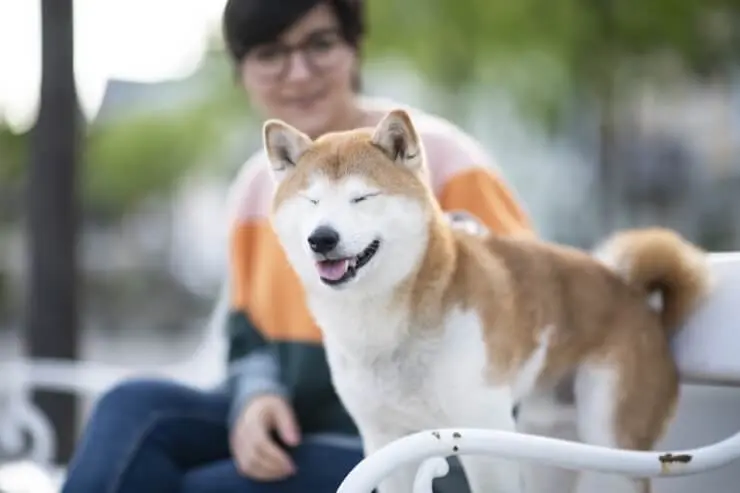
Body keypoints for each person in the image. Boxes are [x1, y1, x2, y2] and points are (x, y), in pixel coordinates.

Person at [60, 1, 534, 492]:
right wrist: (254, 396)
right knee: (131, 410)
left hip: (416, 448)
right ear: (242, 71)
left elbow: (530, 305)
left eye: (320, 43)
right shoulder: (255, 189)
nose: (299, 72)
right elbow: (249, 336)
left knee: (196, 487)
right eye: (270, 53)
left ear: (354, 47)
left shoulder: (435, 157)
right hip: (296, 430)